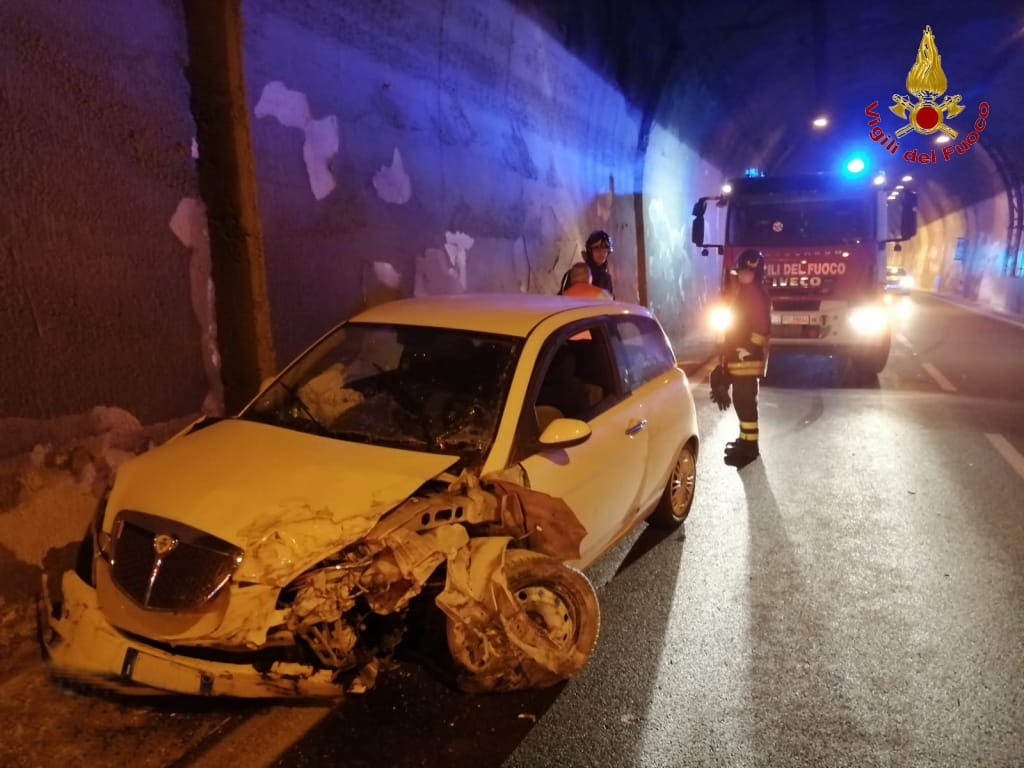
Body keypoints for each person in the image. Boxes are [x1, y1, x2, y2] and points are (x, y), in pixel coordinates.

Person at [720, 248, 771, 468]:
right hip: (741, 357)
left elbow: (761, 326)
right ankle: (745, 440)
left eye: (744, 271)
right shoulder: (746, 291)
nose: (740, 275)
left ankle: (750, 449)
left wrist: (749, 348)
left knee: (745, 402)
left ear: (754, 272)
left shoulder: (754, 294)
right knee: (742, 401)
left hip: (746, 359)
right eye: (739, 271)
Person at [559, 230, 614, 297]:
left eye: (604, 250)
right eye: (596, 249)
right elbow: (561, 300)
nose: (601, 253)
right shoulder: (575, 273)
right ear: (590, 252)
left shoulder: (606, 279)